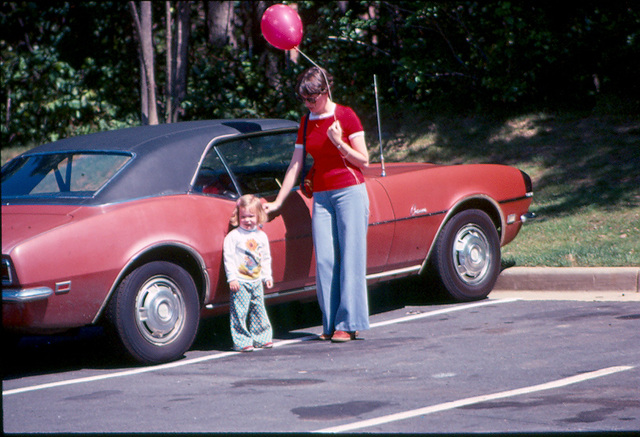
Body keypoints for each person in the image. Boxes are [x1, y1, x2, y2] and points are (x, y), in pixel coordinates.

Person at [264, 66, 370, 343]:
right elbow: (295, 165)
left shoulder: (345, 115)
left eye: (312, 98)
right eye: (305, 100)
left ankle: (348, 323)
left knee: (351, 256)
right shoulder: (306, 121)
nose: (308, 104)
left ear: (325, 92)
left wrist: (339, 143)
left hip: (350, 190)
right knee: (324, 260)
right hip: (321, 196)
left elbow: (364, 160)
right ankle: (331, 321)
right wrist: (277, 201)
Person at [223, 194, 274, 352]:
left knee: (259, 309)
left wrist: (267, 276)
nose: (248, 220)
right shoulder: (234, 236)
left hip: (256, 280)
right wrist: (232, 278)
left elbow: (265, 257)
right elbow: (229, 258)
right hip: (240, 281)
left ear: (259, 216)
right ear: (238, 216)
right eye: (244, 216)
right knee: (239, 312)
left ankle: (262, 337)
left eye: (251, 216)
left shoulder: (261, 236)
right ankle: (242, 340)